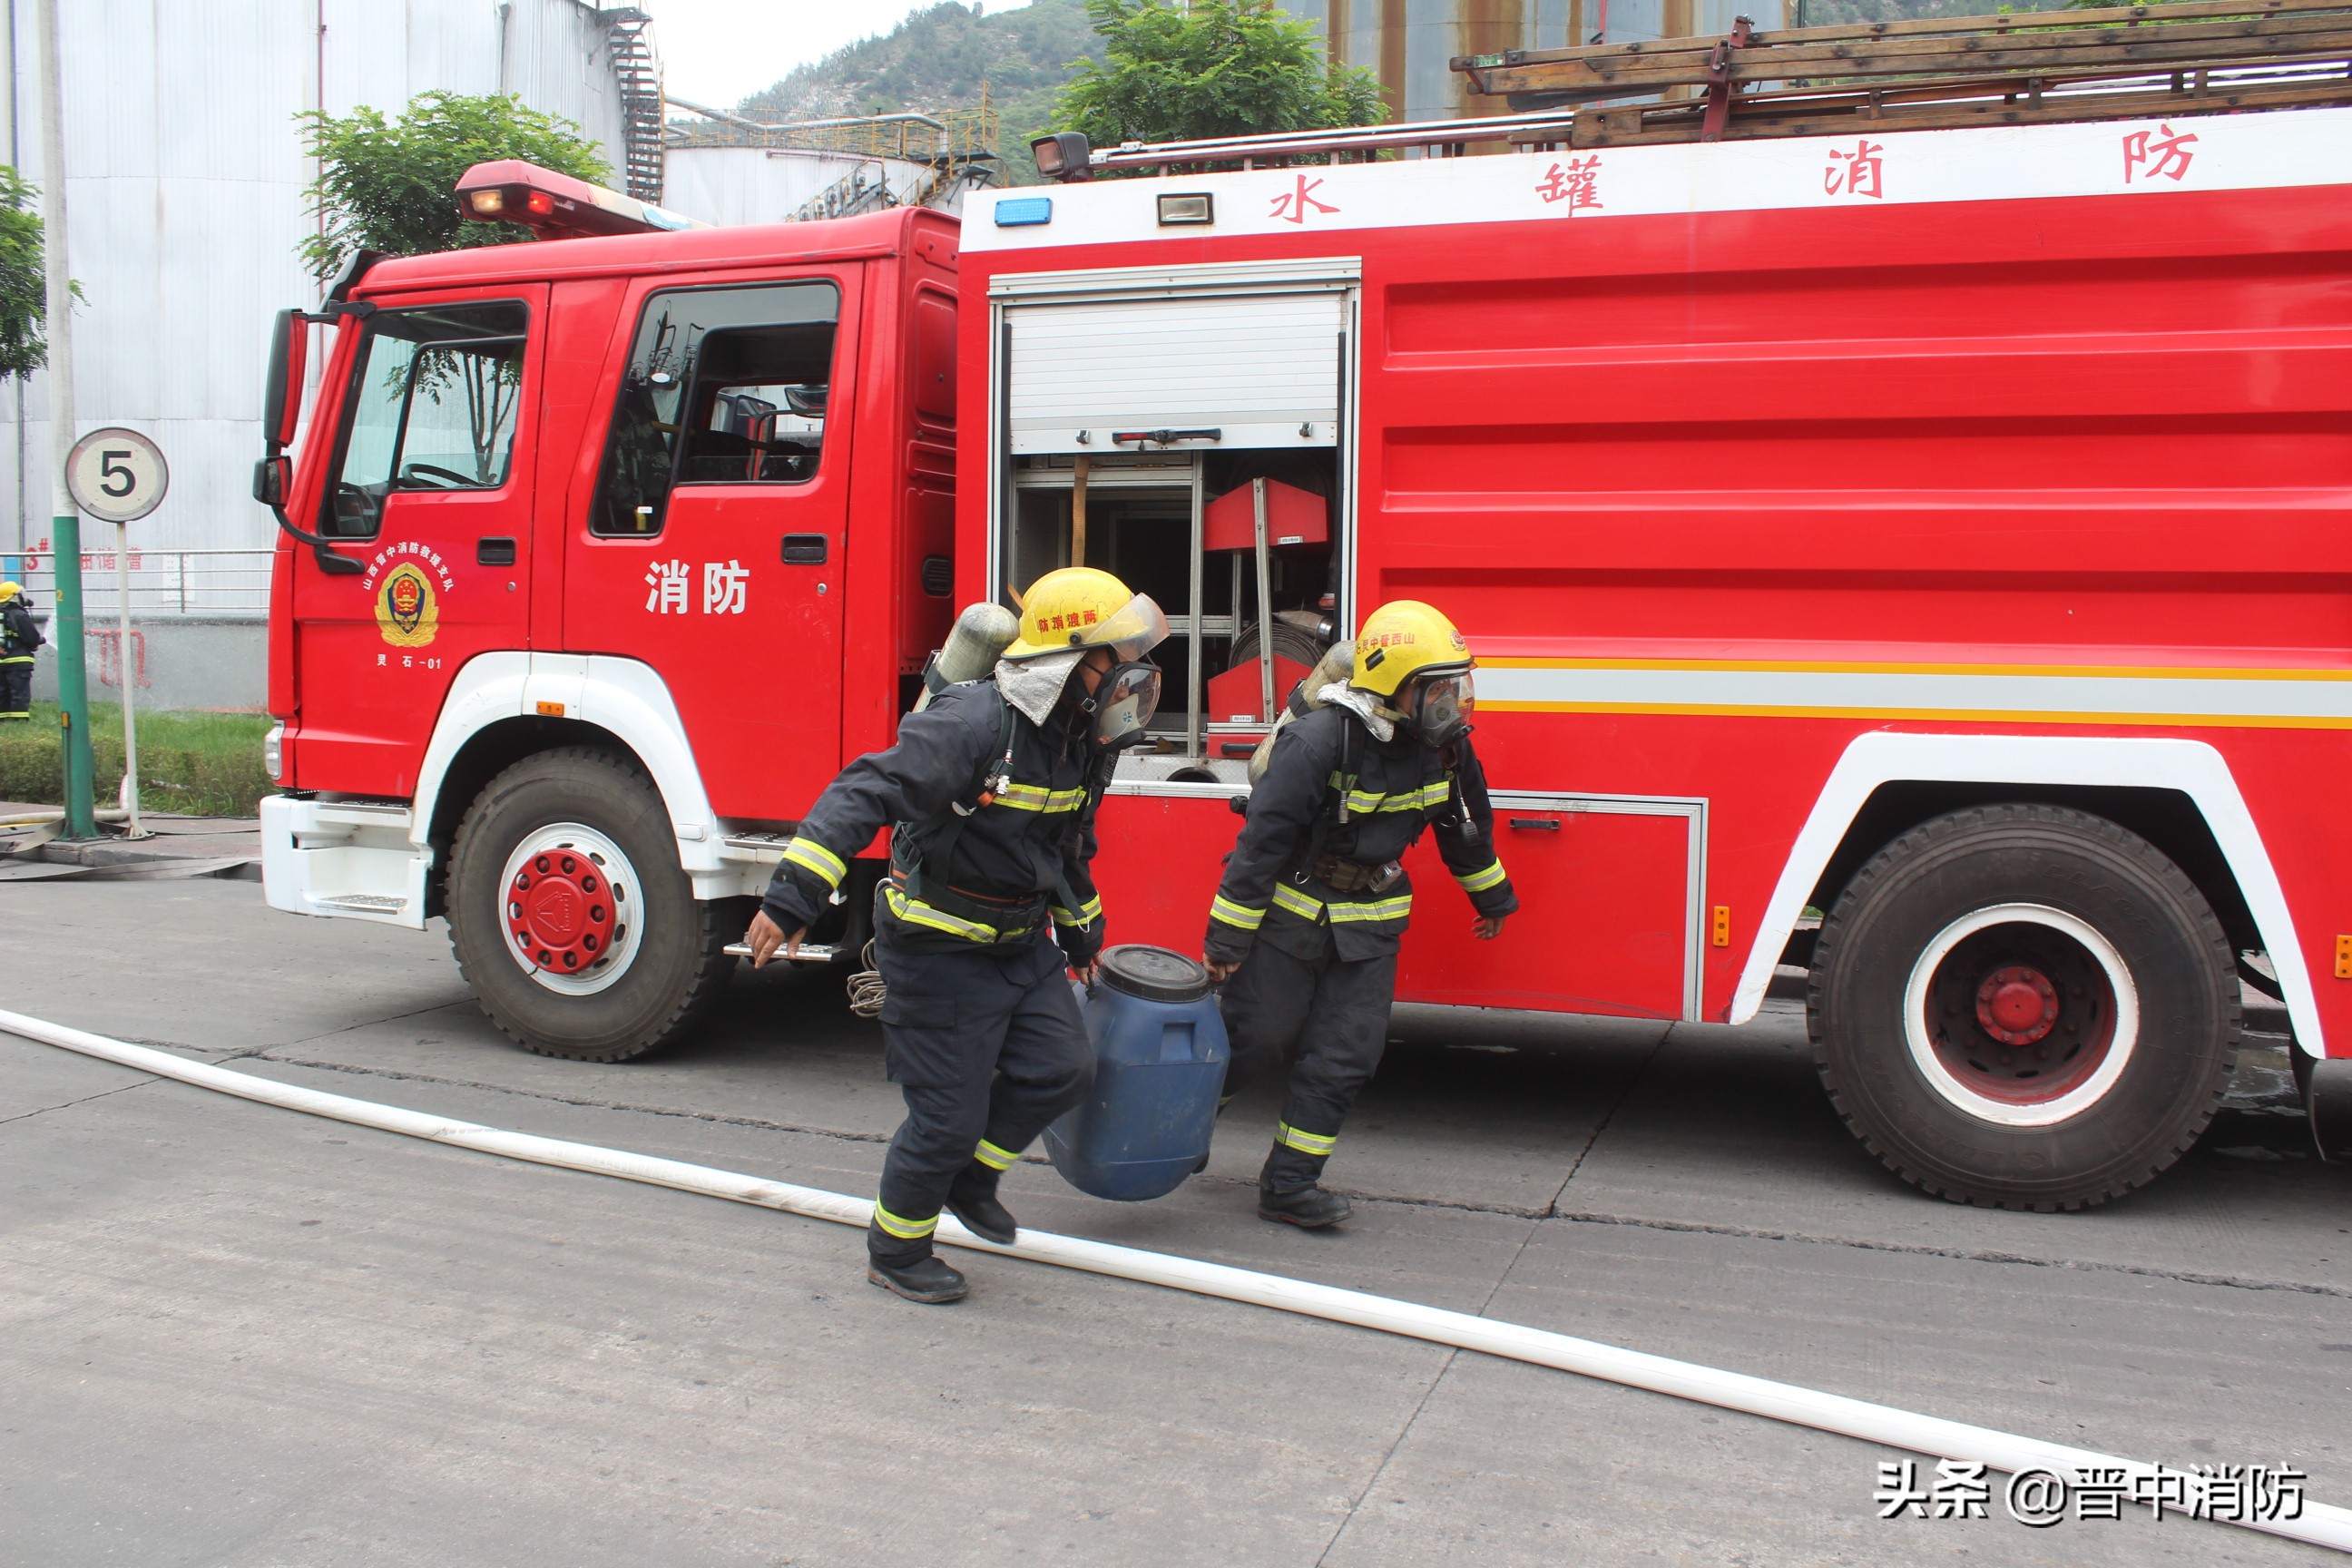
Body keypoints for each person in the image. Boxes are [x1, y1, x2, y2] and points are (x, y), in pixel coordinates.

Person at [745, 566, 1169, 1303]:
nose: (1132, 671)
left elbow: (1064, 849)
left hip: (1018, 944)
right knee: (947, 1115)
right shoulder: (975, 723)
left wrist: (1083, 937)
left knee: (1062, 1069)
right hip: (936, 948)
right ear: (1071, 659)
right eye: (1118, 654)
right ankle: (898, 1250)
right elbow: (863, 789)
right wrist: (791, 898)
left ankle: (971, 1179)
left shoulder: (1083, 738)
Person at [1204, 600, 1518, 1229]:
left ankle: (1290, 1186)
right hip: (1293, 916)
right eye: (1438, 689)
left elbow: (1465, 828)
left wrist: (1491, 898)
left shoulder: (1447, 748)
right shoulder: (1319, 740)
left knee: (1346, 1055)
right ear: (1394, 688)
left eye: (1457, 685)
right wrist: (1227, 941)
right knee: (1254, 1040)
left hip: (1371, 920)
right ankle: (1177, 1132)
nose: (1452, 701)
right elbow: (1262, 841)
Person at [0, 582, 39, 720]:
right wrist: (39, 640)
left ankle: (3, 722)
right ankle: (19, 722)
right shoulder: (19, 615)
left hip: (1, 661)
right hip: (19, 662)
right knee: (19, 694)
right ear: (14, 597)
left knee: (3, 694)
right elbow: (32, 639)